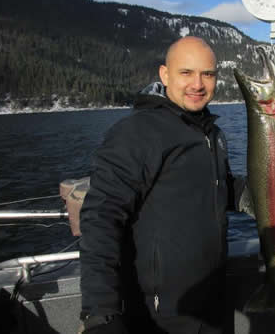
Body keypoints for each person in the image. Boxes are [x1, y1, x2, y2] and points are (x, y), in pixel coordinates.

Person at [76, 36, 248, 334]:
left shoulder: (211, 133)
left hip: (213, 304)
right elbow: (101, 218)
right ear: (164, 74)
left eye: (207, 74)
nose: (198, 84)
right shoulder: (136, 133)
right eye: (186, 73)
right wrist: (100, 312)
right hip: (160, 315)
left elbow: (216, 188)